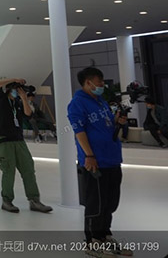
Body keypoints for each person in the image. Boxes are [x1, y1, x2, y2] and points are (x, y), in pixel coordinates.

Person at [67, 67, 133, 257]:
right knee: (95, 204)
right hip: (95, 161)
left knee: (110, 203)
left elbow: (107, 125)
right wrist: (89, 155)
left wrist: (118, 121)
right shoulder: (78, 103)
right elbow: (79, 132)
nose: (102, 85)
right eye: (99, 82)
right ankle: (92, 241)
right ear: (88, 83)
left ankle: (105, 236)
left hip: (112, 159)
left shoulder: (101, 101)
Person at [0, 78, 52, 214]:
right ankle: (7, 201)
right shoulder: (1, 99)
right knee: (9, 171)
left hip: (19, 140)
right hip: (5, 140)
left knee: (28, 169)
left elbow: (28, 114)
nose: (18, 92)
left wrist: (24, 99)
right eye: (16, 89)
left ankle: (34, 200)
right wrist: (14, 79)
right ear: (10, 89)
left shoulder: (18, 103)